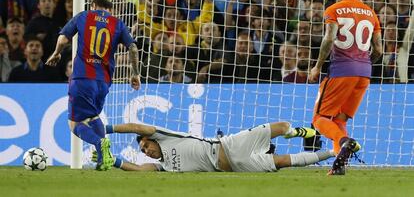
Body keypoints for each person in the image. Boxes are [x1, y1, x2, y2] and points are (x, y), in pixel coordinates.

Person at [45, 0, 141, 171]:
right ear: (110, 8)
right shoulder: (117, 23)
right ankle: (101, 157)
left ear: (92, 5)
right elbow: (133, 48)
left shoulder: (84, 16)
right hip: (104, 82)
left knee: (74, 124)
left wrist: (57, 52)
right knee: (93, 116)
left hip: (82, 78)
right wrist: (135, 73)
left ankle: (99, 143)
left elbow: (63, 38)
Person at [308, 0, 382, 175]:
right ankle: (339, 165)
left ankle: (343, 141)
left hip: (341, 71)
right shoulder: (371, 13)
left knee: (319, 118)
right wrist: (364, 63)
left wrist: (317, 66)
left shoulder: (334, 10)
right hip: (364, 73)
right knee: (339, 119)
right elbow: (379, 50)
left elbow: (329, 38)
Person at [95, 122, 333, 172]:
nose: (146, 150)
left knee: (282, 127)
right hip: (236, 167)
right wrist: (115, 161)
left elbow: (140, 128)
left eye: (146, 146)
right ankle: (334, 151)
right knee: (282, 162)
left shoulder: (166, 137)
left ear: (153, 139)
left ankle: (308, 133)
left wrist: (107, 129)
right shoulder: (163, 167)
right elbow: (140, 171)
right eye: (144, 151)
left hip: (229, 144)